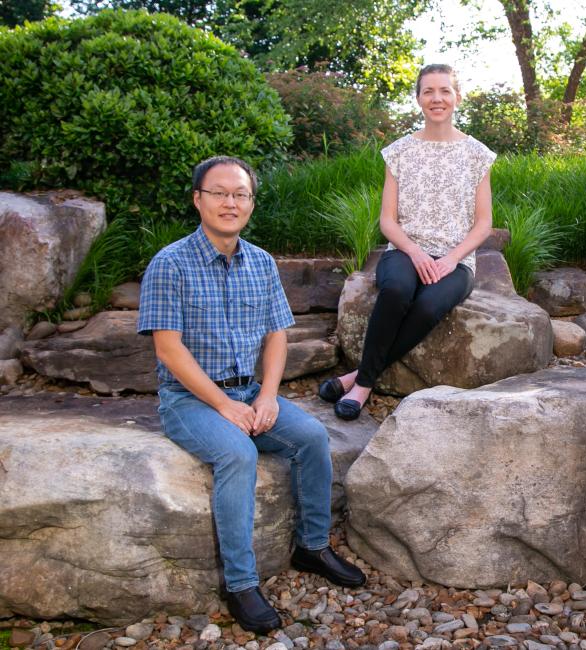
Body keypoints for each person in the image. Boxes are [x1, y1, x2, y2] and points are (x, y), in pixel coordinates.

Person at [137, 156, 366, 634]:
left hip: (249, 390)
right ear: (198, 199)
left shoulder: (261, 263)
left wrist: (267, 397)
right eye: (219, 192)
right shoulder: (169, 263)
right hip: (189, 400)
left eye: (240, 194)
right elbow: (168, 348)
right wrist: (225, 407)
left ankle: (312, 546)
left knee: (310, 436)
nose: (230, 202)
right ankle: (241, 583)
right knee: (238, 453)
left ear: (251, 203)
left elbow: (277, 337)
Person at [318, 64, 496, 420]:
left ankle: (358, 376)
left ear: (457, 97)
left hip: (457, 261)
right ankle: (367, 386)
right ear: (417, 99)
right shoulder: (398, 151)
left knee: (429, 306)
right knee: (398, 291)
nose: (437, 98)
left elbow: (483, 224)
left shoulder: (478, 154)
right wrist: (414, 252)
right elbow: (387, 221)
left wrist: (450, 259)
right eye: (428, 91)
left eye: (445, 90)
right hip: (404, 249)